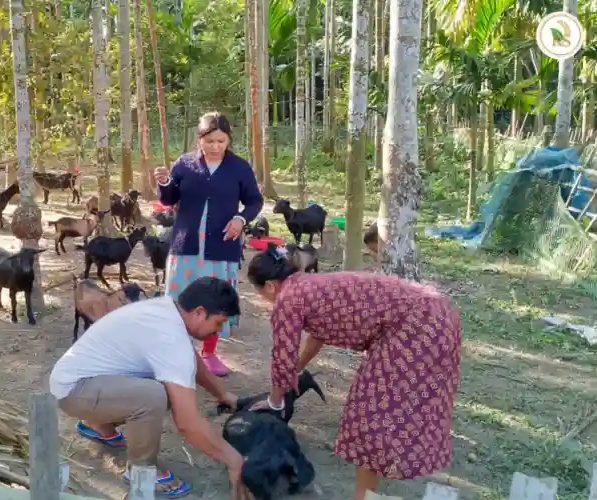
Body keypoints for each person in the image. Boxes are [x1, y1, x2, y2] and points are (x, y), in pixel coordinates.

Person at [245, 245, 462, 500]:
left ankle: (363, 496)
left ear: (270, 285)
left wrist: (275, 401)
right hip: (437, 313)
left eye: (260, 293)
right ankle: (371, 488)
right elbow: (316, 337)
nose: (265, 299)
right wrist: (295, 372)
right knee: (386, 412)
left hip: (414, 328)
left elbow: (282, 356)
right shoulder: (308, 284)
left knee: (369, 417)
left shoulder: (287, 298)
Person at [49, 277, 249, 499]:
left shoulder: (166, 310)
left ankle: (98, 425)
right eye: (219, 323)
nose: (219, 331)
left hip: (82, 381)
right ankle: (142, 470)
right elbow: (187, 423)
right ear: (200, 312)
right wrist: (235, 461)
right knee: (154, 395)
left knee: (160, 388)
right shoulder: (170, 337)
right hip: (76, 391)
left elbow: (191, 362)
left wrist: (222, 394)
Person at [153, 112, 263, 377]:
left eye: (221, 141)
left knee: (215, 300)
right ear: (199, 139)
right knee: (182, 299)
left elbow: (254, 202)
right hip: (186, 245)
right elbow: (169, 200)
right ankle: (181, 354)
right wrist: (165, 182)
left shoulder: (239, 168)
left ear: (228, 141)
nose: (215, 146)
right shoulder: (185, 164)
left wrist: (240, 219)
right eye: (209, 141)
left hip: (221, 246)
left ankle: (210, 354)